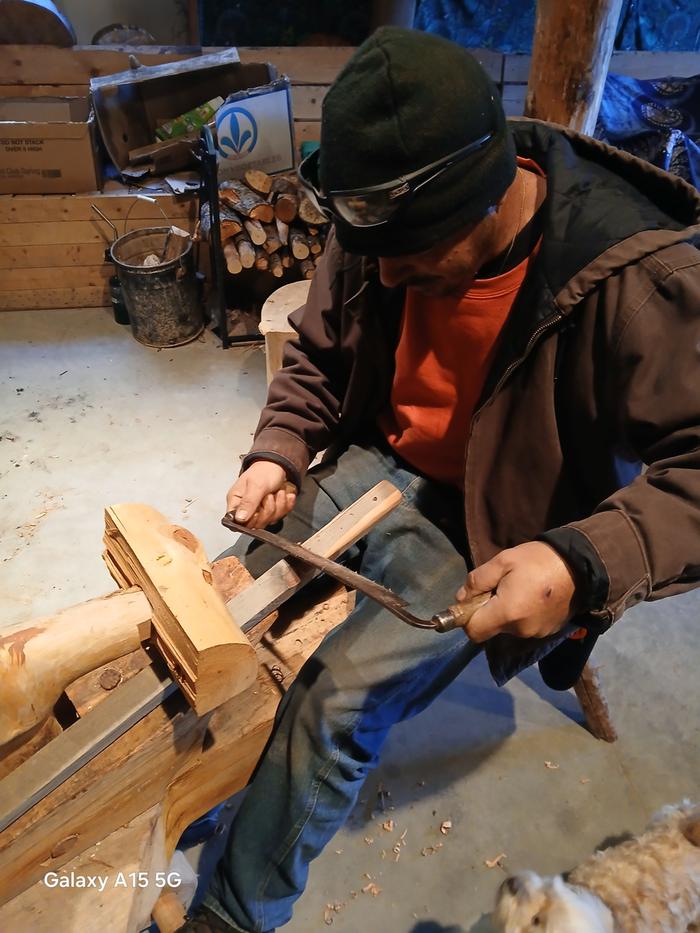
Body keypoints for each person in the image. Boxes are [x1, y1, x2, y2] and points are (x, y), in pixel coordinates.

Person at [182, 26, 700, 933]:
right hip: (378, 464)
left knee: (333, 706)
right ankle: (176, 793)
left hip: (497, 521)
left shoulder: (634, 276)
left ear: (486, 198)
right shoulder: (382, 221)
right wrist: (281, 445)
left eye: (412, 261)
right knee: (220, 615)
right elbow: (317, 351)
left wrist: (581, 561)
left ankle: (230, 913)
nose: (382, 277)